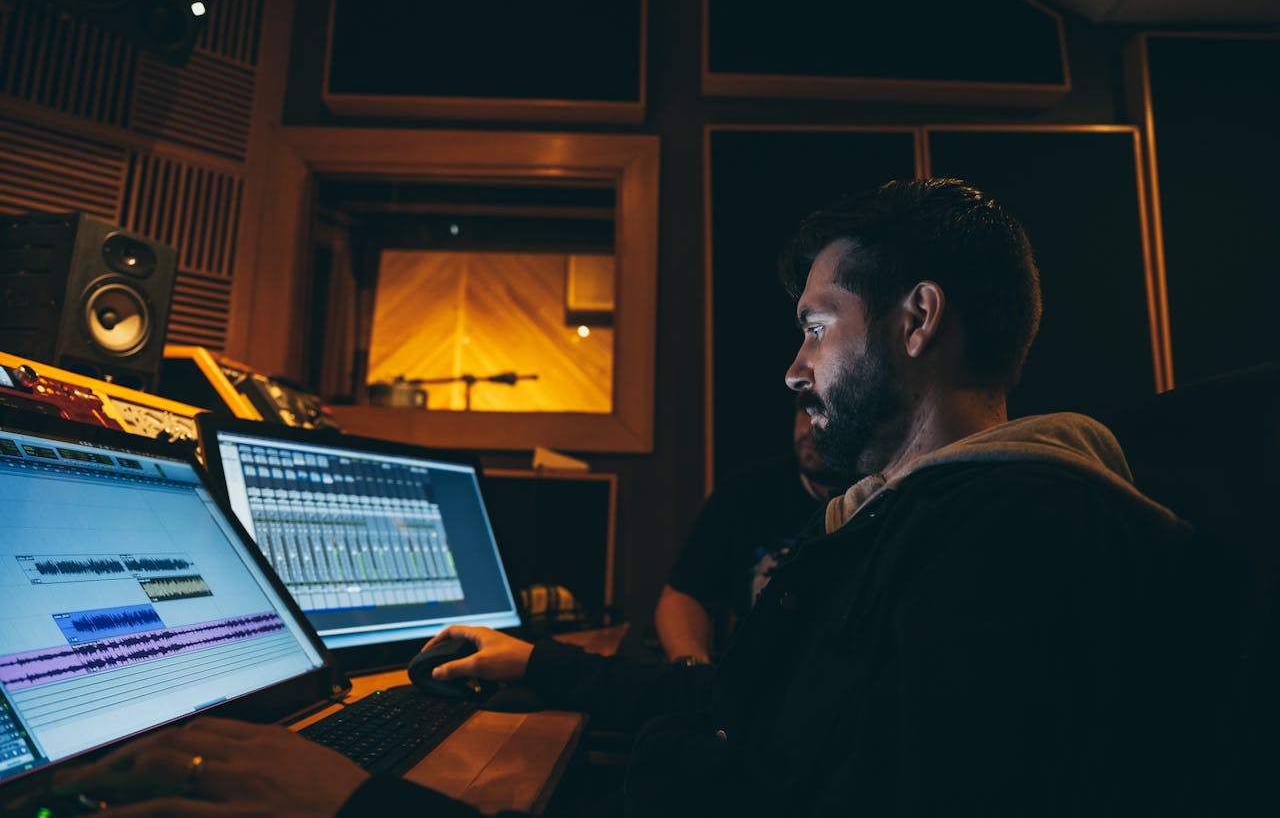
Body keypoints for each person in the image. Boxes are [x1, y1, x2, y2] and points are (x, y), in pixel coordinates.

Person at [55, 179, 1213, 816]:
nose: (791, 369)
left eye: (815, 327)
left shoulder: (1020, 541)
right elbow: (751, 714)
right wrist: (540, 669)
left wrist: (358, 807)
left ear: (915, 319)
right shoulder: (925, 518)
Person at [655, 405, 850, 662]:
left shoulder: (889, 498)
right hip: (752, 685)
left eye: (827, 408)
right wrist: (694, 674)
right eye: (805, 407)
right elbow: (684, 597)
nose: (811, 425)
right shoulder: (747, 490)